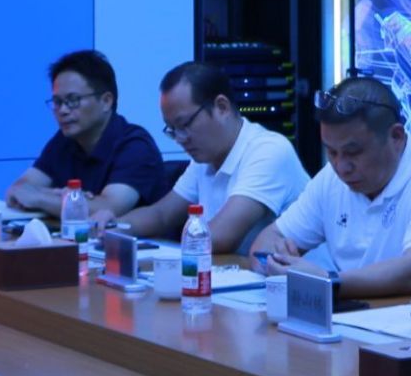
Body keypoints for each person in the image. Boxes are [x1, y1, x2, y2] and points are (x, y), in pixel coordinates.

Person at [248, 74, 411, 297]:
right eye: (331, 152)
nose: (341, 167)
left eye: (353, 152)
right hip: (355, 316)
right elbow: (268, 239)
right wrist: (276, 260)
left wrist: (327, 281)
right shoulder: (331, 178)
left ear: (396, 137)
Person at [114, 61, 310, 252]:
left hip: (296, 273)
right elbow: (161, 215)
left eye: (185, 124)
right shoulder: (205, 157)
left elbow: (220, 237)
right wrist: (112, 227)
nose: (180, 139)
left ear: (222, 107)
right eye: (172, 130)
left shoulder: (268, 150)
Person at [6, 49, 178, 220]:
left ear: (106, 101)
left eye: (73, 100)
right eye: (57, 102)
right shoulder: (64, 140)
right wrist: (61, 197)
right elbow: (18, 190)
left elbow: (108, 208)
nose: (63, 110)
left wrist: (41, 198)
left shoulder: (135, 146)